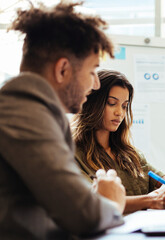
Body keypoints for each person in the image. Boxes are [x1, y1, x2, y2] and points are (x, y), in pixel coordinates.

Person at [0, 2, 127, 239]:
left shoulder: (31, 110)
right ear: (62, 70)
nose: (96, 84)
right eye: (92, 72)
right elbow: (81, 213)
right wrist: (112, 203)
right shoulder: (23, 112)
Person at [73, 69, 165, 213]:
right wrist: (151, 200)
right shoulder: (73, 155)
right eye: (112, 103)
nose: (120, 112)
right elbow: (92, 203)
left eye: (124, 106)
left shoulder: (130, 154)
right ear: (92, 103)